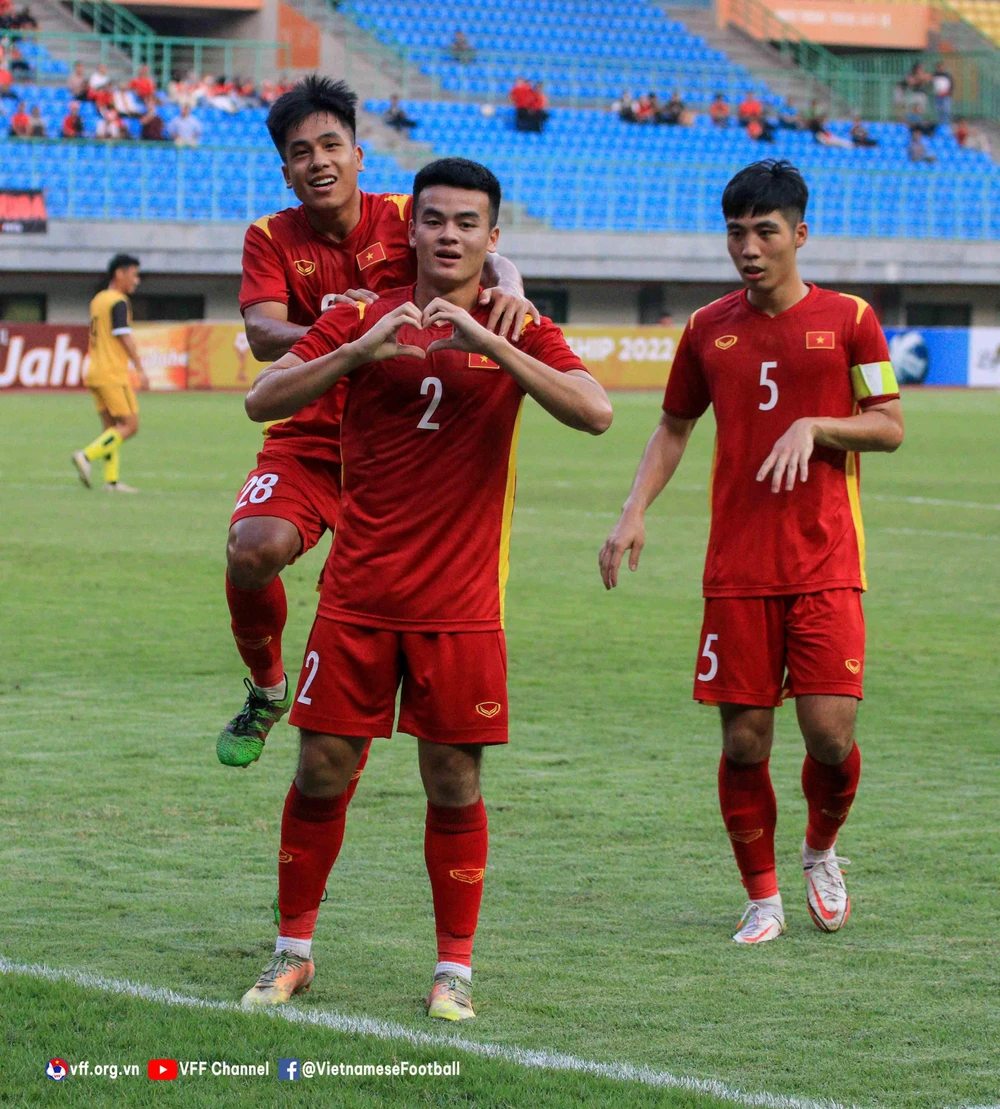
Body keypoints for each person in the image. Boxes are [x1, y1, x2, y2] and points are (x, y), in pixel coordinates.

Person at [239, 156, 612, 1018]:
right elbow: (261, 398)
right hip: (359, 594)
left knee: (454, 782)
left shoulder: (516, 323)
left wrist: (489, 340)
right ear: (410, 229)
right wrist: (362, 347)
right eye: (435, 220)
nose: (449, 235)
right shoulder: (364, 315)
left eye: (467, 223)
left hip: (461, 607)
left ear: (493, 236)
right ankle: (293, 951)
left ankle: (455, 970)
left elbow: (595, 411)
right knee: (322, 770)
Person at [599, 159, 903, 945]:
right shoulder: (707, 328)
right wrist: (633, 511)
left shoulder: (852, 320)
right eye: (736, 232)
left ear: (800, 234)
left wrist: (816, 425)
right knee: (744, 739)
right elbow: (674, 427)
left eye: (765, 231)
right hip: (736, 568)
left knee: (830, 736)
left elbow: (889, 424)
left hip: (827, 561)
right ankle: (761, 895)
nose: (749, 247)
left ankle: (822, 850)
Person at [217, 77, 534, 769]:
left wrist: (509, 286)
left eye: (333, 145)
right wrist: (340, 326)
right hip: (310, 437)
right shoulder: (269, 236)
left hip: (399, 447)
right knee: (250, 550)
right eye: (302, 152)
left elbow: (486, 249)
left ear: (360, 155)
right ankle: (269, 687)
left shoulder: (407, 212)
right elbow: (263, 331)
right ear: (287, 170)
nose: (319, 161)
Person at [72, 253, 150, 494]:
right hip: (112, 373)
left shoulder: (98, 299)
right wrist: (140, 367)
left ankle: (112, 481)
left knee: (110, 428)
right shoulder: (118, 300)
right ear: (120, 273)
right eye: (134, 274)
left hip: (94, 370)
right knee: (130, 425)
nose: (136, 281)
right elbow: (123, 334)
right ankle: (86, 455)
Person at [932, 62, 953, 126]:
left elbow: (951, 86)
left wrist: (947, 92)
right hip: (938, 96)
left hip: (945, 96)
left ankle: (946, 124)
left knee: (946, 111)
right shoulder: (935, 75)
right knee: (939, 111)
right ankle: (940, 124)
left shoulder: (947, 75)